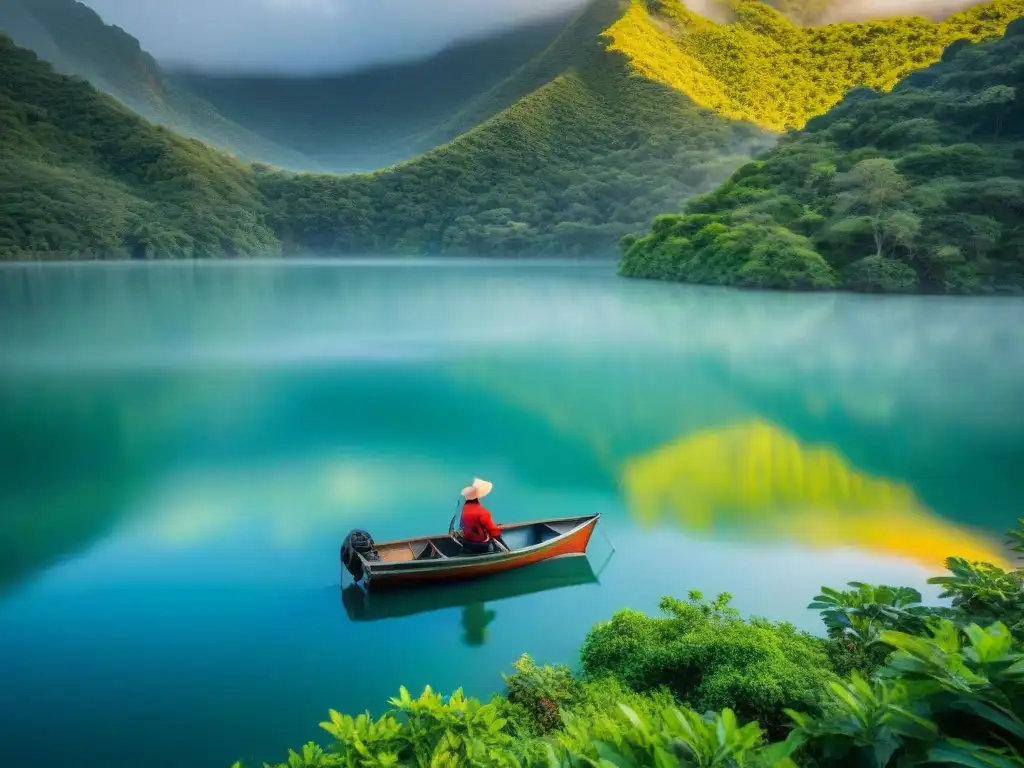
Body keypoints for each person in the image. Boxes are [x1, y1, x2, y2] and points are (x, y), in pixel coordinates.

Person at [459, 478, 508, 554]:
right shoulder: (482, 512)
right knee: (493, 535)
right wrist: (505, 547)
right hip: (481, 545)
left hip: (467, 542)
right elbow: (493, 531)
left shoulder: (464, 510)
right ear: (477, 497)